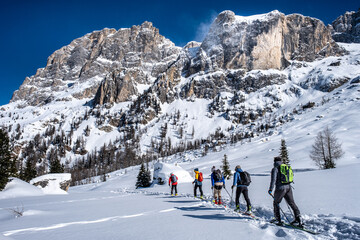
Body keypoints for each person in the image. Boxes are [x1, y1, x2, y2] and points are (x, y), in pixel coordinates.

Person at [268, 156, 302, 226]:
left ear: (274, 162)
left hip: (280, 188)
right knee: (292, 203)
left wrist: (270, 189)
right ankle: (298, 219)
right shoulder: (286, 167)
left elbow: (273, 180)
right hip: (288, 187)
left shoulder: (275, 169)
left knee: (276, 203)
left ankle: (278, 220)